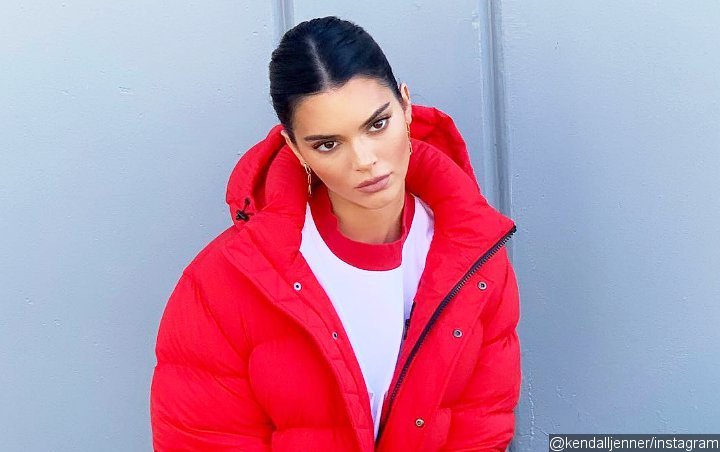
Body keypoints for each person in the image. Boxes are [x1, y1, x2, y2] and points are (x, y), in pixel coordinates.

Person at [150, 15, 521, 452]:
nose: (364, 160)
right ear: (294, 148)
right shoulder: (222, 285)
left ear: (405, 106)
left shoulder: (475, 258)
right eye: (328, 144)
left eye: (377, 124)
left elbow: (481, 425)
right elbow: (202, 439)